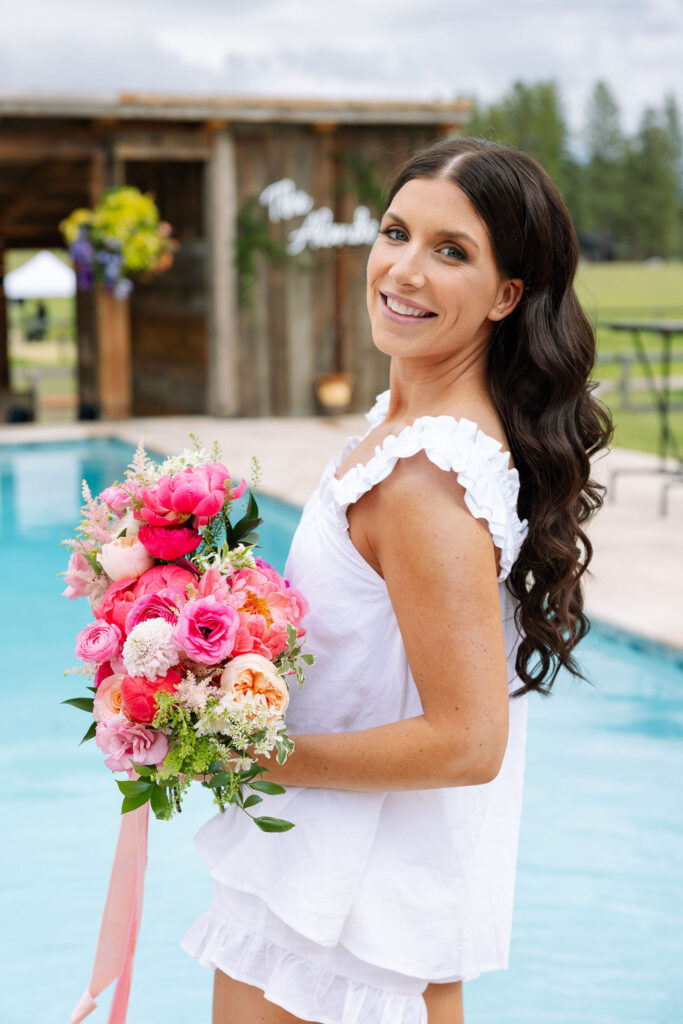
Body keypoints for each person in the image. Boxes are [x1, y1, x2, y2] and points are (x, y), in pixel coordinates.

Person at [182, 137, 614, 1024]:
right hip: (325, 885)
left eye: (449, 251)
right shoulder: (403, 423)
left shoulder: (422, 482)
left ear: (506, 296)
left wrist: (262, 755)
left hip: (348, 926)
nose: (403, 269)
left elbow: (467, 741)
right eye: (395, 232)